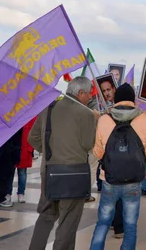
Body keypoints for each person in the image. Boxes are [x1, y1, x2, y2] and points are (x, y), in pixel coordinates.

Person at [28, 77, 98, 250]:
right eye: (89, 93)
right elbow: (88, 144)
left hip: (49, 171)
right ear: (80, 93)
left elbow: (33, 138)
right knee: (68, 221)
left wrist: (52, 152)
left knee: (45, 216)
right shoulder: (87, 114)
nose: (90, 97)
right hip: (74, 175)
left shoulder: (48, 109)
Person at [89, 83, 146, 250]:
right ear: (133, 99)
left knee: (103, 222)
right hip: (134, 180)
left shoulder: (105, 119)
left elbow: (97, 153)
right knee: (130, 224)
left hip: (109, 179)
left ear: (117, 98)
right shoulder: (144, 118)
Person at [8, 117, 37, 204]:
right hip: (13, 148)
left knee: (22, 172)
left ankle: (21, 193)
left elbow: (35, 133)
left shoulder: (31, 116)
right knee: (10, 172)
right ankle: (8, 193)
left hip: (24, 148)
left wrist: (30, 149)